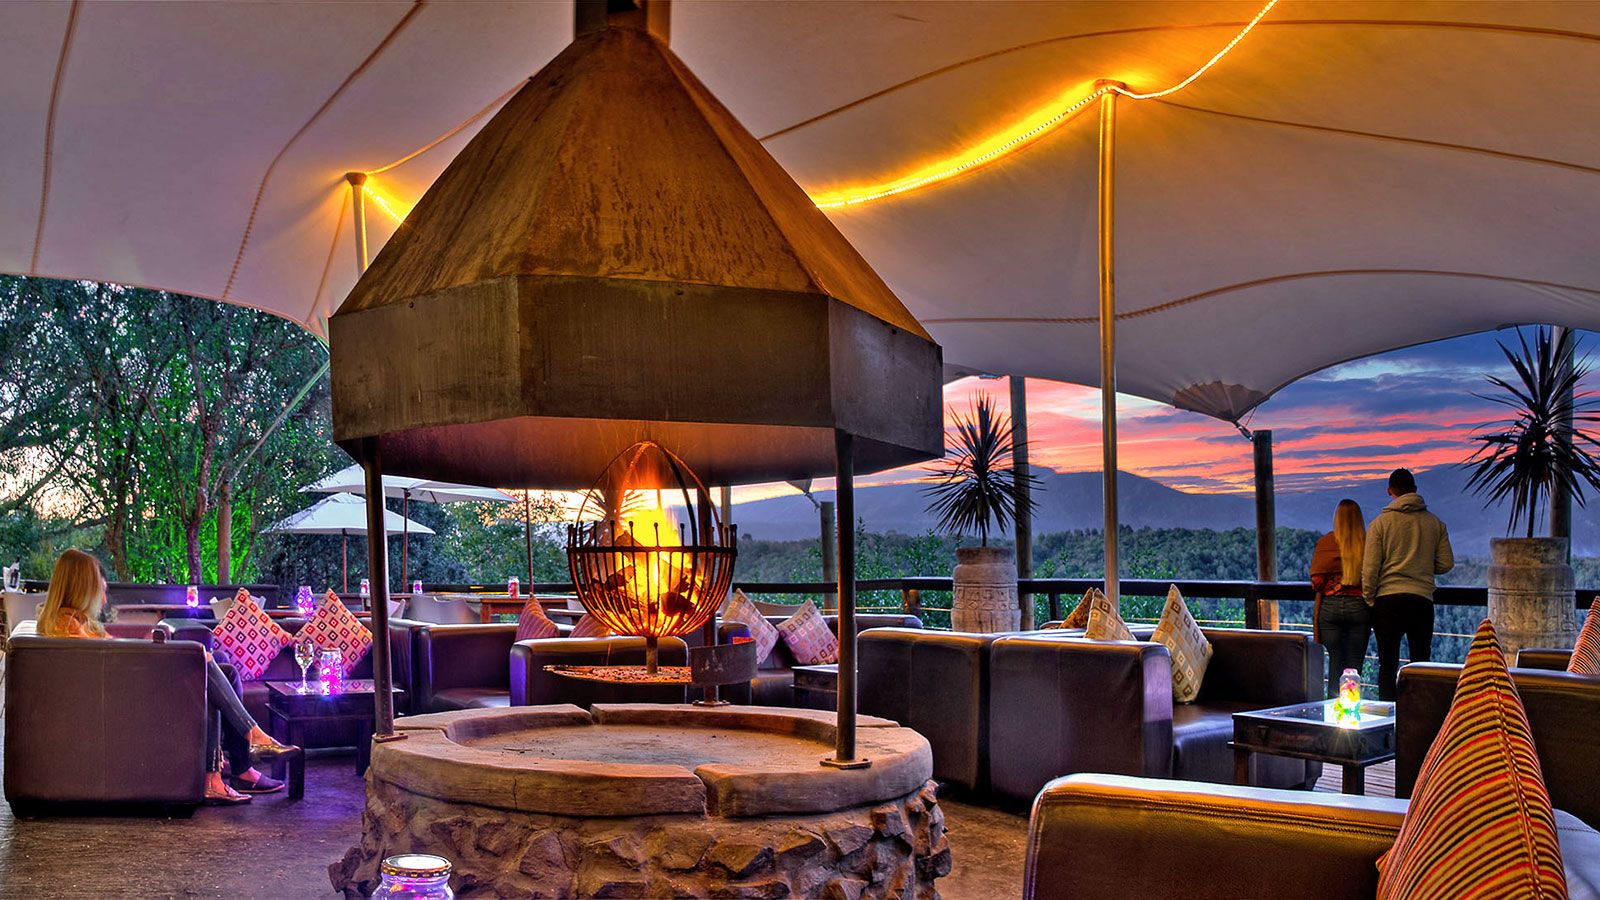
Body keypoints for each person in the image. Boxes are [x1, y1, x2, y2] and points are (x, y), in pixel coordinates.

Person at [36, 549, 299, 805]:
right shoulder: (68, 627)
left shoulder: (74, 623)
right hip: (127, 701)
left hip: (125, 691)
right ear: (81, 589)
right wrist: (169, 654)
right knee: (205, 665)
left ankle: (235, 766)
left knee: (219, 664)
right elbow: (115, 663)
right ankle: (246, 747)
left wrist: (151, 646)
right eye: (99, 590)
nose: (103, 600)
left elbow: (114, 658)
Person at [1361, 468, 1454, 700]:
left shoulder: (1380, 524)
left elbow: (1370, 568)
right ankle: (1419, 713)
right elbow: (1446, 563)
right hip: (1421, 601)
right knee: (1421, 664)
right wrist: (1422, 566)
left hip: (1387, 601)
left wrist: (1370, 599)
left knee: (1387, 664)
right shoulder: (1435, 524)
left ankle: (1388, 714)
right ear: (1414, 489)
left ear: (1389, 491)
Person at [1309, 499, 1370, 699]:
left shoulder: (1325, 543)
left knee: (1335, 663)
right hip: (1359, 607)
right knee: (1355, 665)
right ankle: (1352, 708)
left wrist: (1334, 584)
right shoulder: (1368, 544)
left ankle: (1334, 710)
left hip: (1330, 608)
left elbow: (1317, 582)